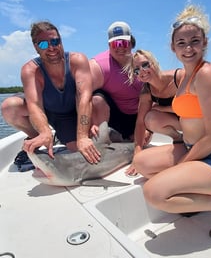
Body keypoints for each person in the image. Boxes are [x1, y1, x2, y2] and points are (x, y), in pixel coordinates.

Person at [133, 4, 211, 243]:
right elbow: (187, 109)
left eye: (194, 41)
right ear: (173, 47)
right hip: (196, 149)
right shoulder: (185, 76)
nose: (188, 48)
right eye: (181, 43)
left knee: (153, 192)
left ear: (205, 42)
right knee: (142, 163)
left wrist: (181, 165)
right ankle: (192, 190)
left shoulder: (207, 74)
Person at [1, 21, 100, 164]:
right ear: (36, 48)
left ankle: (64, 135)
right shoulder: (30, 70)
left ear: (61, 41)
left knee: (78, 150)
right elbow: (34, 105)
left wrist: (83, 136)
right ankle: (37, 137)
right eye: (43, 44)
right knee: (9, 107)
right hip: (47, 112)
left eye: (55, 41)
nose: (51, 48)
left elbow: (84, 98)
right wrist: (44, 131)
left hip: (72, 113)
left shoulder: (77, 61)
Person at [125, 49, 181, 175]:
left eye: (145, 64)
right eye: (137, 70)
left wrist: (163, 109)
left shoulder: (178, 77)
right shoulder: (146, 92)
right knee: (149, 118)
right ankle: (179, 139)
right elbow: (140, 122)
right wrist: (137, 153)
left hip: (194, 120)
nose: (142, 71)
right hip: (179, 122)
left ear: (154, 63)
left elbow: (194, 107)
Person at [89, 21, 143, 140]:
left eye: (124, 43)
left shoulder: (142, 63)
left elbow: (154, 97)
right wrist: (87, 124)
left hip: (138, 115)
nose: (120, 47)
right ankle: (100, 137)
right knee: (96, 98)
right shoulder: (98, 66)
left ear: (131, 43)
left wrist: (146, 128)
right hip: (114, 116)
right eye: (115, 44)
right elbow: (80, 95)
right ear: (109, 45)